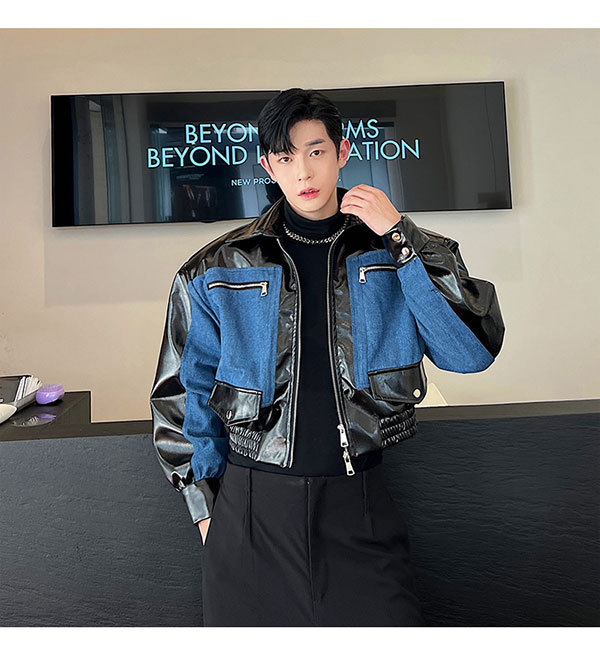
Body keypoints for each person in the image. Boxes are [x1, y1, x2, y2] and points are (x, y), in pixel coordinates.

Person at [149, 87, 505, 627]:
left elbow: (469, 352)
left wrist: (401, 238)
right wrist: (204, 509)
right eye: (286, 157)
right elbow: (182, 395)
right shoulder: (215, 268)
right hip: (250, 514)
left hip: (359, 505)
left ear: (342, 153)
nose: (303, 171)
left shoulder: (393, 249)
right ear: (268, 166)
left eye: (316, 151)